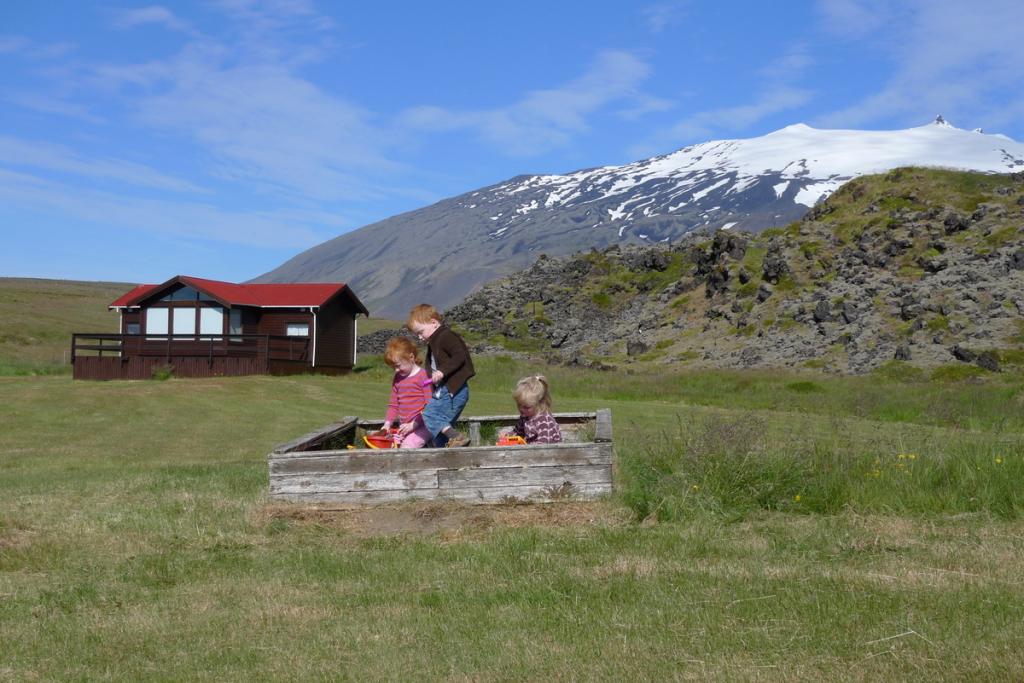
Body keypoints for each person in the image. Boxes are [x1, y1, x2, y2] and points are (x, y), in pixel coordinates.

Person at [407, 304, 474, 448]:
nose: (419, 337)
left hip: (453, 390)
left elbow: (459, 355)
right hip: (447, 390)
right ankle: (449, 458)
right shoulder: (434, 342)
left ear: (433, 322)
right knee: (439, 435)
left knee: (429, 414)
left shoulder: (446, 336)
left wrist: (442, 371)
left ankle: (456, 437)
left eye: (421, 332)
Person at [381, 337, 433, 449]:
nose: (396, 370)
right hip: (404, 427)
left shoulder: (423, 376)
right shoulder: (398, 378)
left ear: (411, 357)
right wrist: (387, 425)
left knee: (407, 448)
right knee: (390, 447)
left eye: (398, 365)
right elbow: (394, 405)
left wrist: (415, 424)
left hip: (423, 425)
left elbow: (429, 405)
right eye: (393, 367)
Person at [511, 375, 562, 444]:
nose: (521, 409)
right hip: (532, 450)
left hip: (551, 452)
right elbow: (518, 433)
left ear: (539, 404)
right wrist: (509, 437)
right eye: (519, 405)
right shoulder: (525, 416)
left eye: (526, 407)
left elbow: (544, 445)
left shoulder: (544, 421)